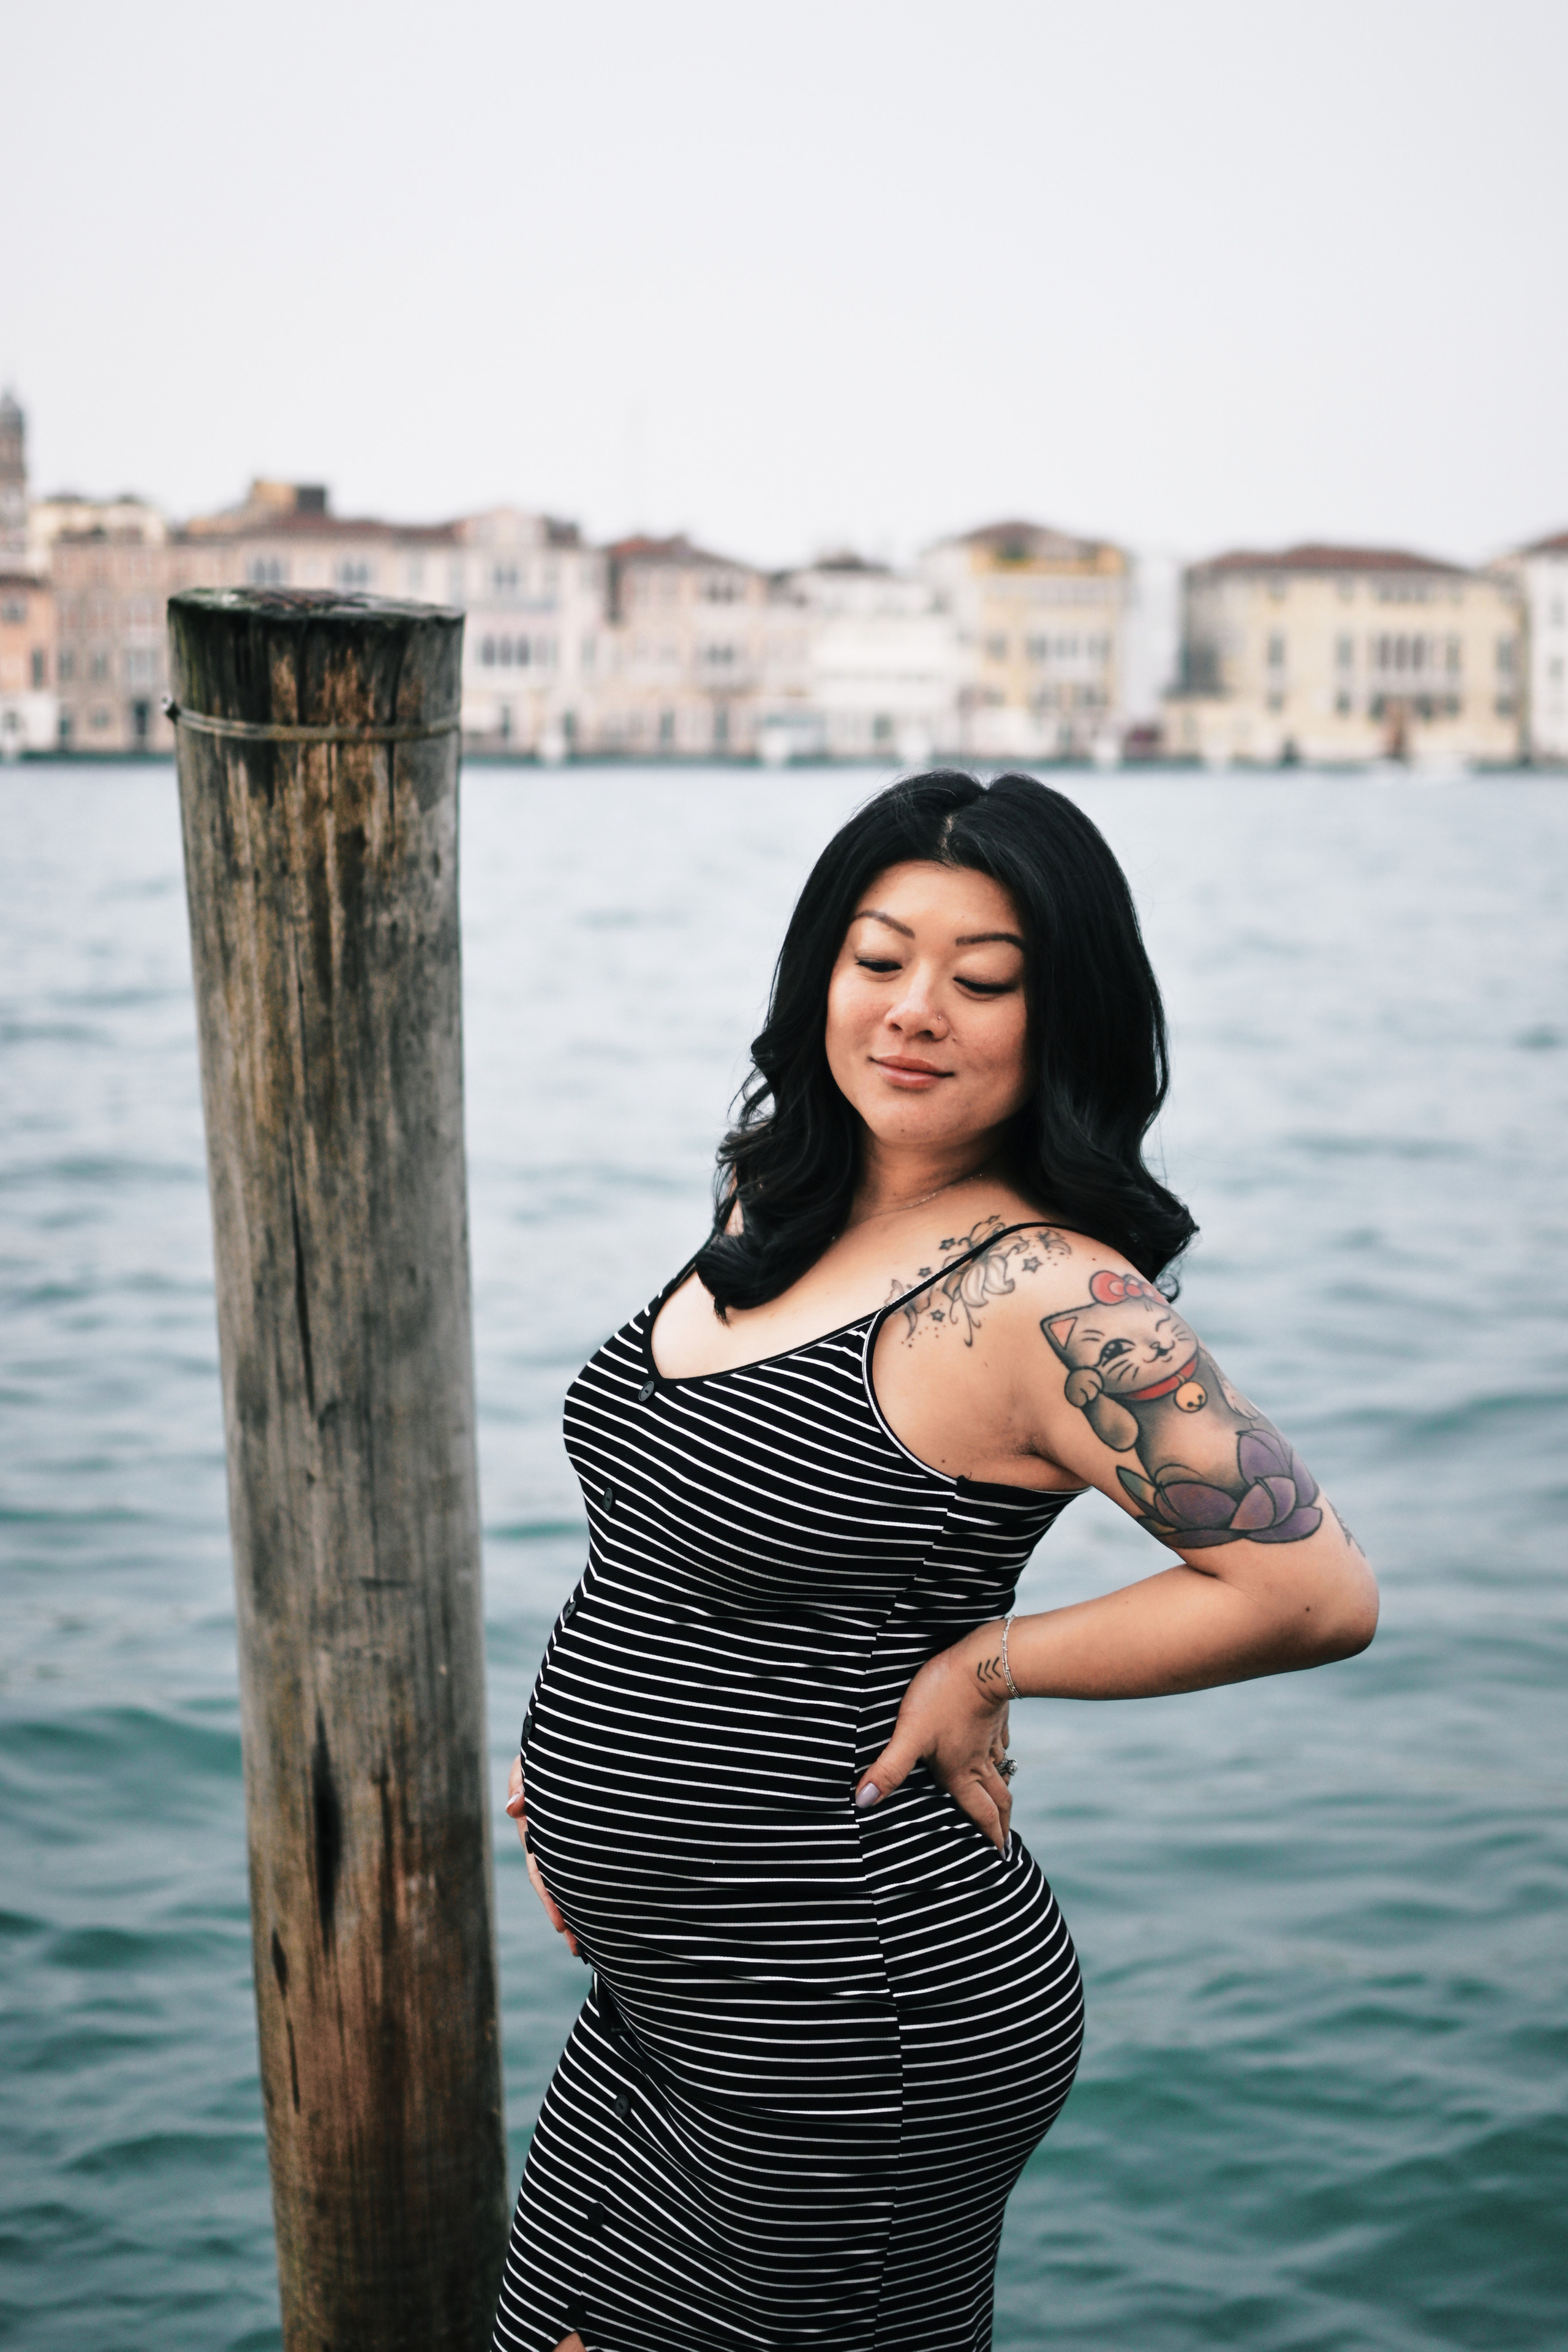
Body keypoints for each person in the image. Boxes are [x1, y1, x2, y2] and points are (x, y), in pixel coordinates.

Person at [494, 771, 1378, 2352]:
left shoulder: (1046, 1294)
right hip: (670, 1996)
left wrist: (989, 1662)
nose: (914, 1011)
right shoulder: (781, 1201)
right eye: (877, 957)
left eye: (982, 982)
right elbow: (671, 1537)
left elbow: (1312, 1589)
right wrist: (567, 1768)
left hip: (855, 2012)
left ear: (1062, 1021)